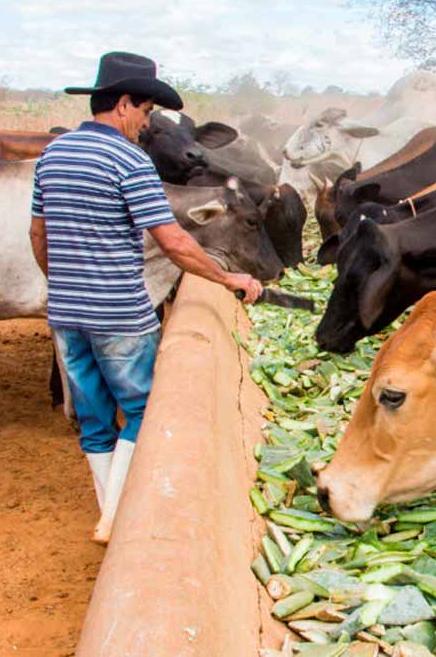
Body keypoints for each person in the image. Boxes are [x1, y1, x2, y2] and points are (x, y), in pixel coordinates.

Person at [29, 51, 263, 544]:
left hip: (66, 315)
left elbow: (38, 234)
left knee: (94, 418)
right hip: (120, 314)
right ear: (123, 105)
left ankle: (107, 512)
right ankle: (117, 515)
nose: (145, 123)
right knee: (142, 410)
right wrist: (228, 279)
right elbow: (173, 241)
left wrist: (66, 282)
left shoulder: (54, 154)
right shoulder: (130, 160)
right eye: (145, 111)